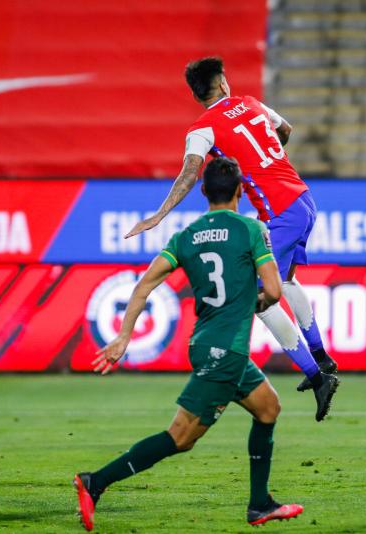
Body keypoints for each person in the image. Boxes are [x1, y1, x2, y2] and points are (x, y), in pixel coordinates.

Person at [73, 158, 307, 531]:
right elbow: (275, 292)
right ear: (240, 190)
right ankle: (95, 482)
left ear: (202, 192)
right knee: (180, 438)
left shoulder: (186, 237)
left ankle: (260, 504)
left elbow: (144, 285)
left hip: (205, 343)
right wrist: (253, 300)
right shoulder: (251, 229)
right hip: (226, 351)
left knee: (268, 408)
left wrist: (124, 335)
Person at [124, 56, 338, 399]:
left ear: (197, 96)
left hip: (279, 212)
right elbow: (286, 130)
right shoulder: (250, 103)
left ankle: (316, 375)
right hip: (302, 199)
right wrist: (267, 160)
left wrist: (159, 215)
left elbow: (190, 172)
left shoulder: (201, 129)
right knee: (285, 280)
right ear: (223, 83)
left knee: (262, 298)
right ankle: (323, 359)